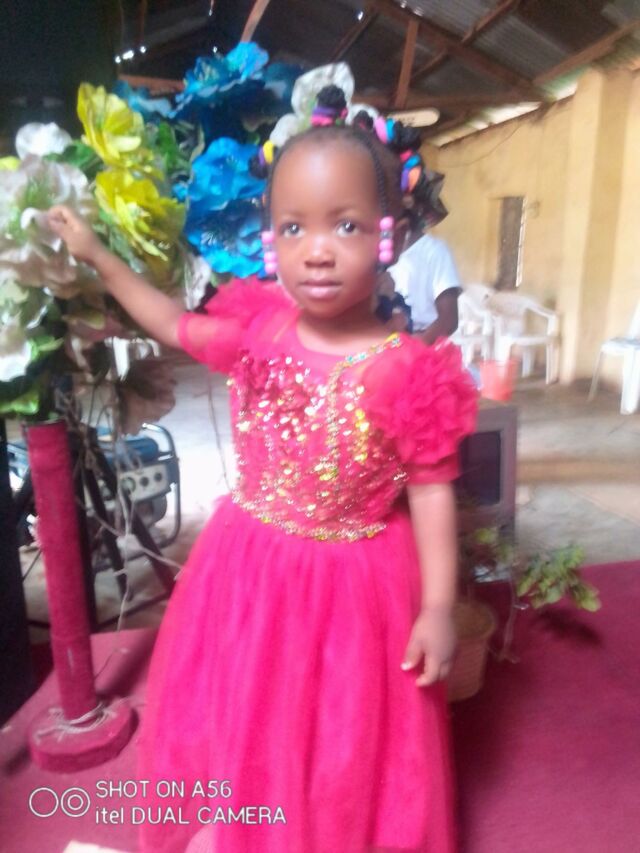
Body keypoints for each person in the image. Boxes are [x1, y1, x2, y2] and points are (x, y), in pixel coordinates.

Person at [48, 122, 477, 853]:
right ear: (269, 239)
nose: (317, 249)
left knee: (338, 727)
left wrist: (438, 605)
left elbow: (433, 490)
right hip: (246, 569)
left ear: (389, 233)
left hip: (354, 589)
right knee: (245, 702)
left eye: (345, 225)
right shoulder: (258, 333)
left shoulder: (407, 369)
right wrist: (98, 257)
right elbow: (171, 323)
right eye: (293, 227)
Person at [385, 230, 461, 344]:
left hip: (421, 343)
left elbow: (449, 319)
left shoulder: (434, 250)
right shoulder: (372, 251)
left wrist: (414, 347)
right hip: (380, 343)